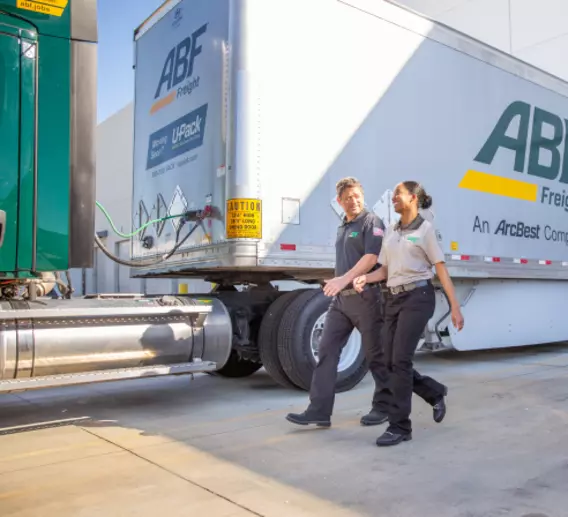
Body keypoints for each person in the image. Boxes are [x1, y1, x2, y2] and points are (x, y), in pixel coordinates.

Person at [353, 180, 464, 447]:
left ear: (413, 198)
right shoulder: (391, 231)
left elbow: (441, 270)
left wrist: (455, 307)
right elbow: (385, 270)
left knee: (400, 361)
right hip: (392, 298)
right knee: (389, 362)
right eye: (392, 196)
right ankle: (434, 392)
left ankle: (400, 426)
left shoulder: (425, 230)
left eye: (397, 195)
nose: (393, 199)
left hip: (418, 297)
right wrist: (365, 278)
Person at [285, 177, 391, 428]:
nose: (353, 201)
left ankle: (384, 407)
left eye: (356, 196)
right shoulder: (343, 226)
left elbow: (370, 257)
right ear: (340, 202)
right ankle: (319, 410)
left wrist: (342, 279)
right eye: (347, 198)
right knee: (326, 351)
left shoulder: (371, 221)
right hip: (342, 302)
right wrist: (337, 281)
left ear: (362, 196)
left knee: (376, 355)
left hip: (367, 298)